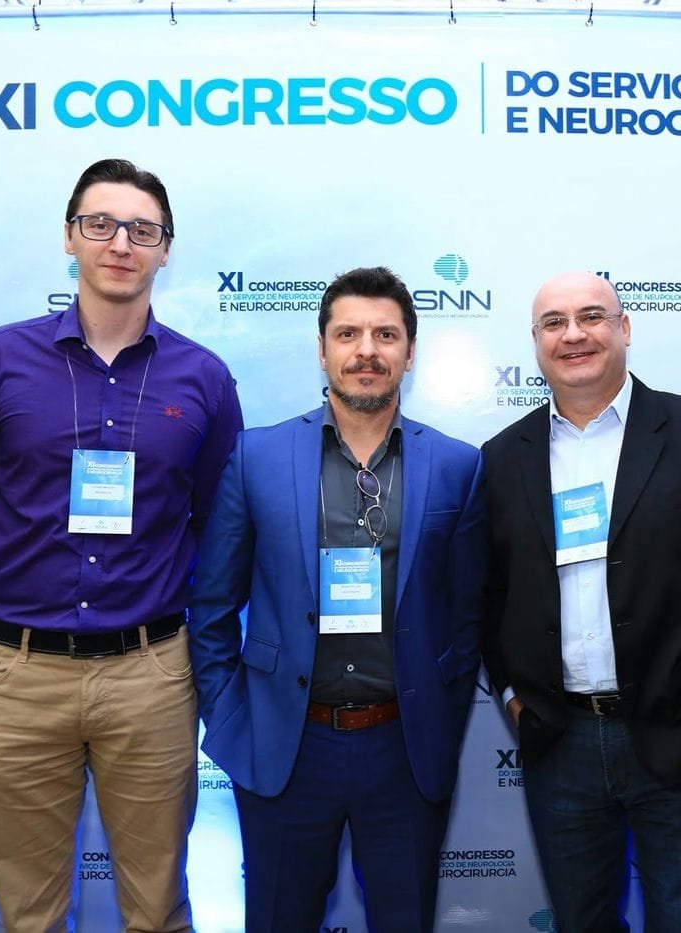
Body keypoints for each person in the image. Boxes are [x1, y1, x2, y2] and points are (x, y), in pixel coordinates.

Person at [0, 158, 243, 932]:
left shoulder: (204, 377)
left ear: (166, 249)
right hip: (17, 675)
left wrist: (159, 587)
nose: (120, 243)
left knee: (158, 907)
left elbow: (219, 524)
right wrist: (13, 577)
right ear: (70, 237)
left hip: (150, 674)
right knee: (29, 914)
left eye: (142, 230)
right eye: (100, 224)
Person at [187, 265, 487, 931]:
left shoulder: (458, 465)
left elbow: (468, 618)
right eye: (348, 334)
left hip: (404, 749)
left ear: (410, 351)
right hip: (284, 747)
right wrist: (232, 718)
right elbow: (211, 608)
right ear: (322, 349)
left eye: (386, 335)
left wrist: (438, 716)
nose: (366, 351)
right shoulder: (257, 457)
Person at [481, 271, 681, 932]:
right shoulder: (501, 459)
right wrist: (513, 696)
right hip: (559, 740)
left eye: (592, 316)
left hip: (679, 730)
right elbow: (488, 593)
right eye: (554, 322)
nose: (574, 334)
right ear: (535, 341)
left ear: (625, 328)